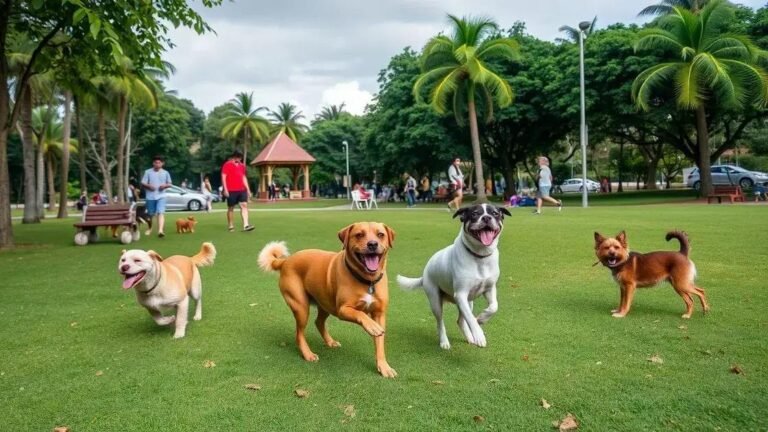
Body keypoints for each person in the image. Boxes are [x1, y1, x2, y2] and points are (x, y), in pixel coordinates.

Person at [221, 149, 254, 232]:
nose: (239, 159)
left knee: (244, 205)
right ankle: (231, 225)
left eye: (240, 158)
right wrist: (225, 189)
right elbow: (224, 177)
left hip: (241, 189)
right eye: (238, 157)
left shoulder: (242, 166)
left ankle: (246, 225)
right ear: (234, 156)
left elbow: (243, 177)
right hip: (231, 190)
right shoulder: (227, 165)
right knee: (231, 208)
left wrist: (248, 189)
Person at [141, 155, 172, 237]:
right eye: (156, 163)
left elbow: (170, 183)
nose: (157, 164)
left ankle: (160, 231)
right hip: (150, 196)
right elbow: (143, 183)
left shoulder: (165, 173)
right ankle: (150, 228)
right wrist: (149, 186)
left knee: (160, 212)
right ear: (153, 163)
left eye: (159, 163)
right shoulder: (148, 172)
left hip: (161, 196)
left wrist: (164, 186)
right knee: (151, 214)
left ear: (162, 164)